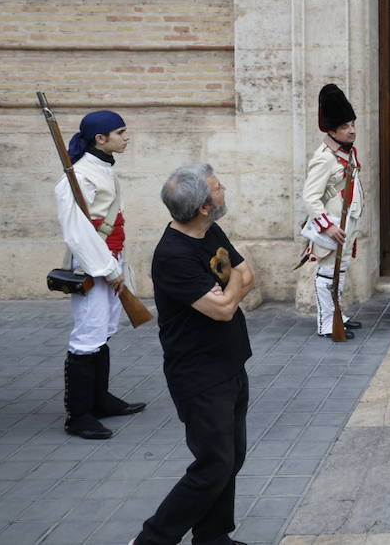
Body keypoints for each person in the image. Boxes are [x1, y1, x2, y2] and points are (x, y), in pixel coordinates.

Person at [133, 164, 255, 545]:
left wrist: (231, 289)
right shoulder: (173, 255)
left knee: (230, 458)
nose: (224, 190)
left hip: (230, 363)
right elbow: (223, 308)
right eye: (218, 188)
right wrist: (233, 288)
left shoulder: (209, 230)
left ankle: (213, 537)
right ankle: (152, 539)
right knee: (212, 465)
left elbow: (247, 274)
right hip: (199, 375)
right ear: (204, 205)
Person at [54, 109, 146, 440]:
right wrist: (108, 270)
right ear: (100, 139)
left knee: (104, 331)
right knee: (87, 335)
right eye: (121, 132)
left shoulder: (102, 168)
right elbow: (77, 233)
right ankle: (78, 415)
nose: (127, 137)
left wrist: (117, 266)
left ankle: (100, 399)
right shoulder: (78, 177)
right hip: (94, 267)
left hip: (110, 260)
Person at [299, 83, 366, 339]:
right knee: (327, 273)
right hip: (333, 226)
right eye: (345, 127)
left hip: (347, 224)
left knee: (341, 271)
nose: (352, 131)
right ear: (333, 130)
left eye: (352, 124)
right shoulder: (325, 157)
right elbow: (310, 197)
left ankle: (338, 313)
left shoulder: (346, 153)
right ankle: (326, 323)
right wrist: (327, 225)